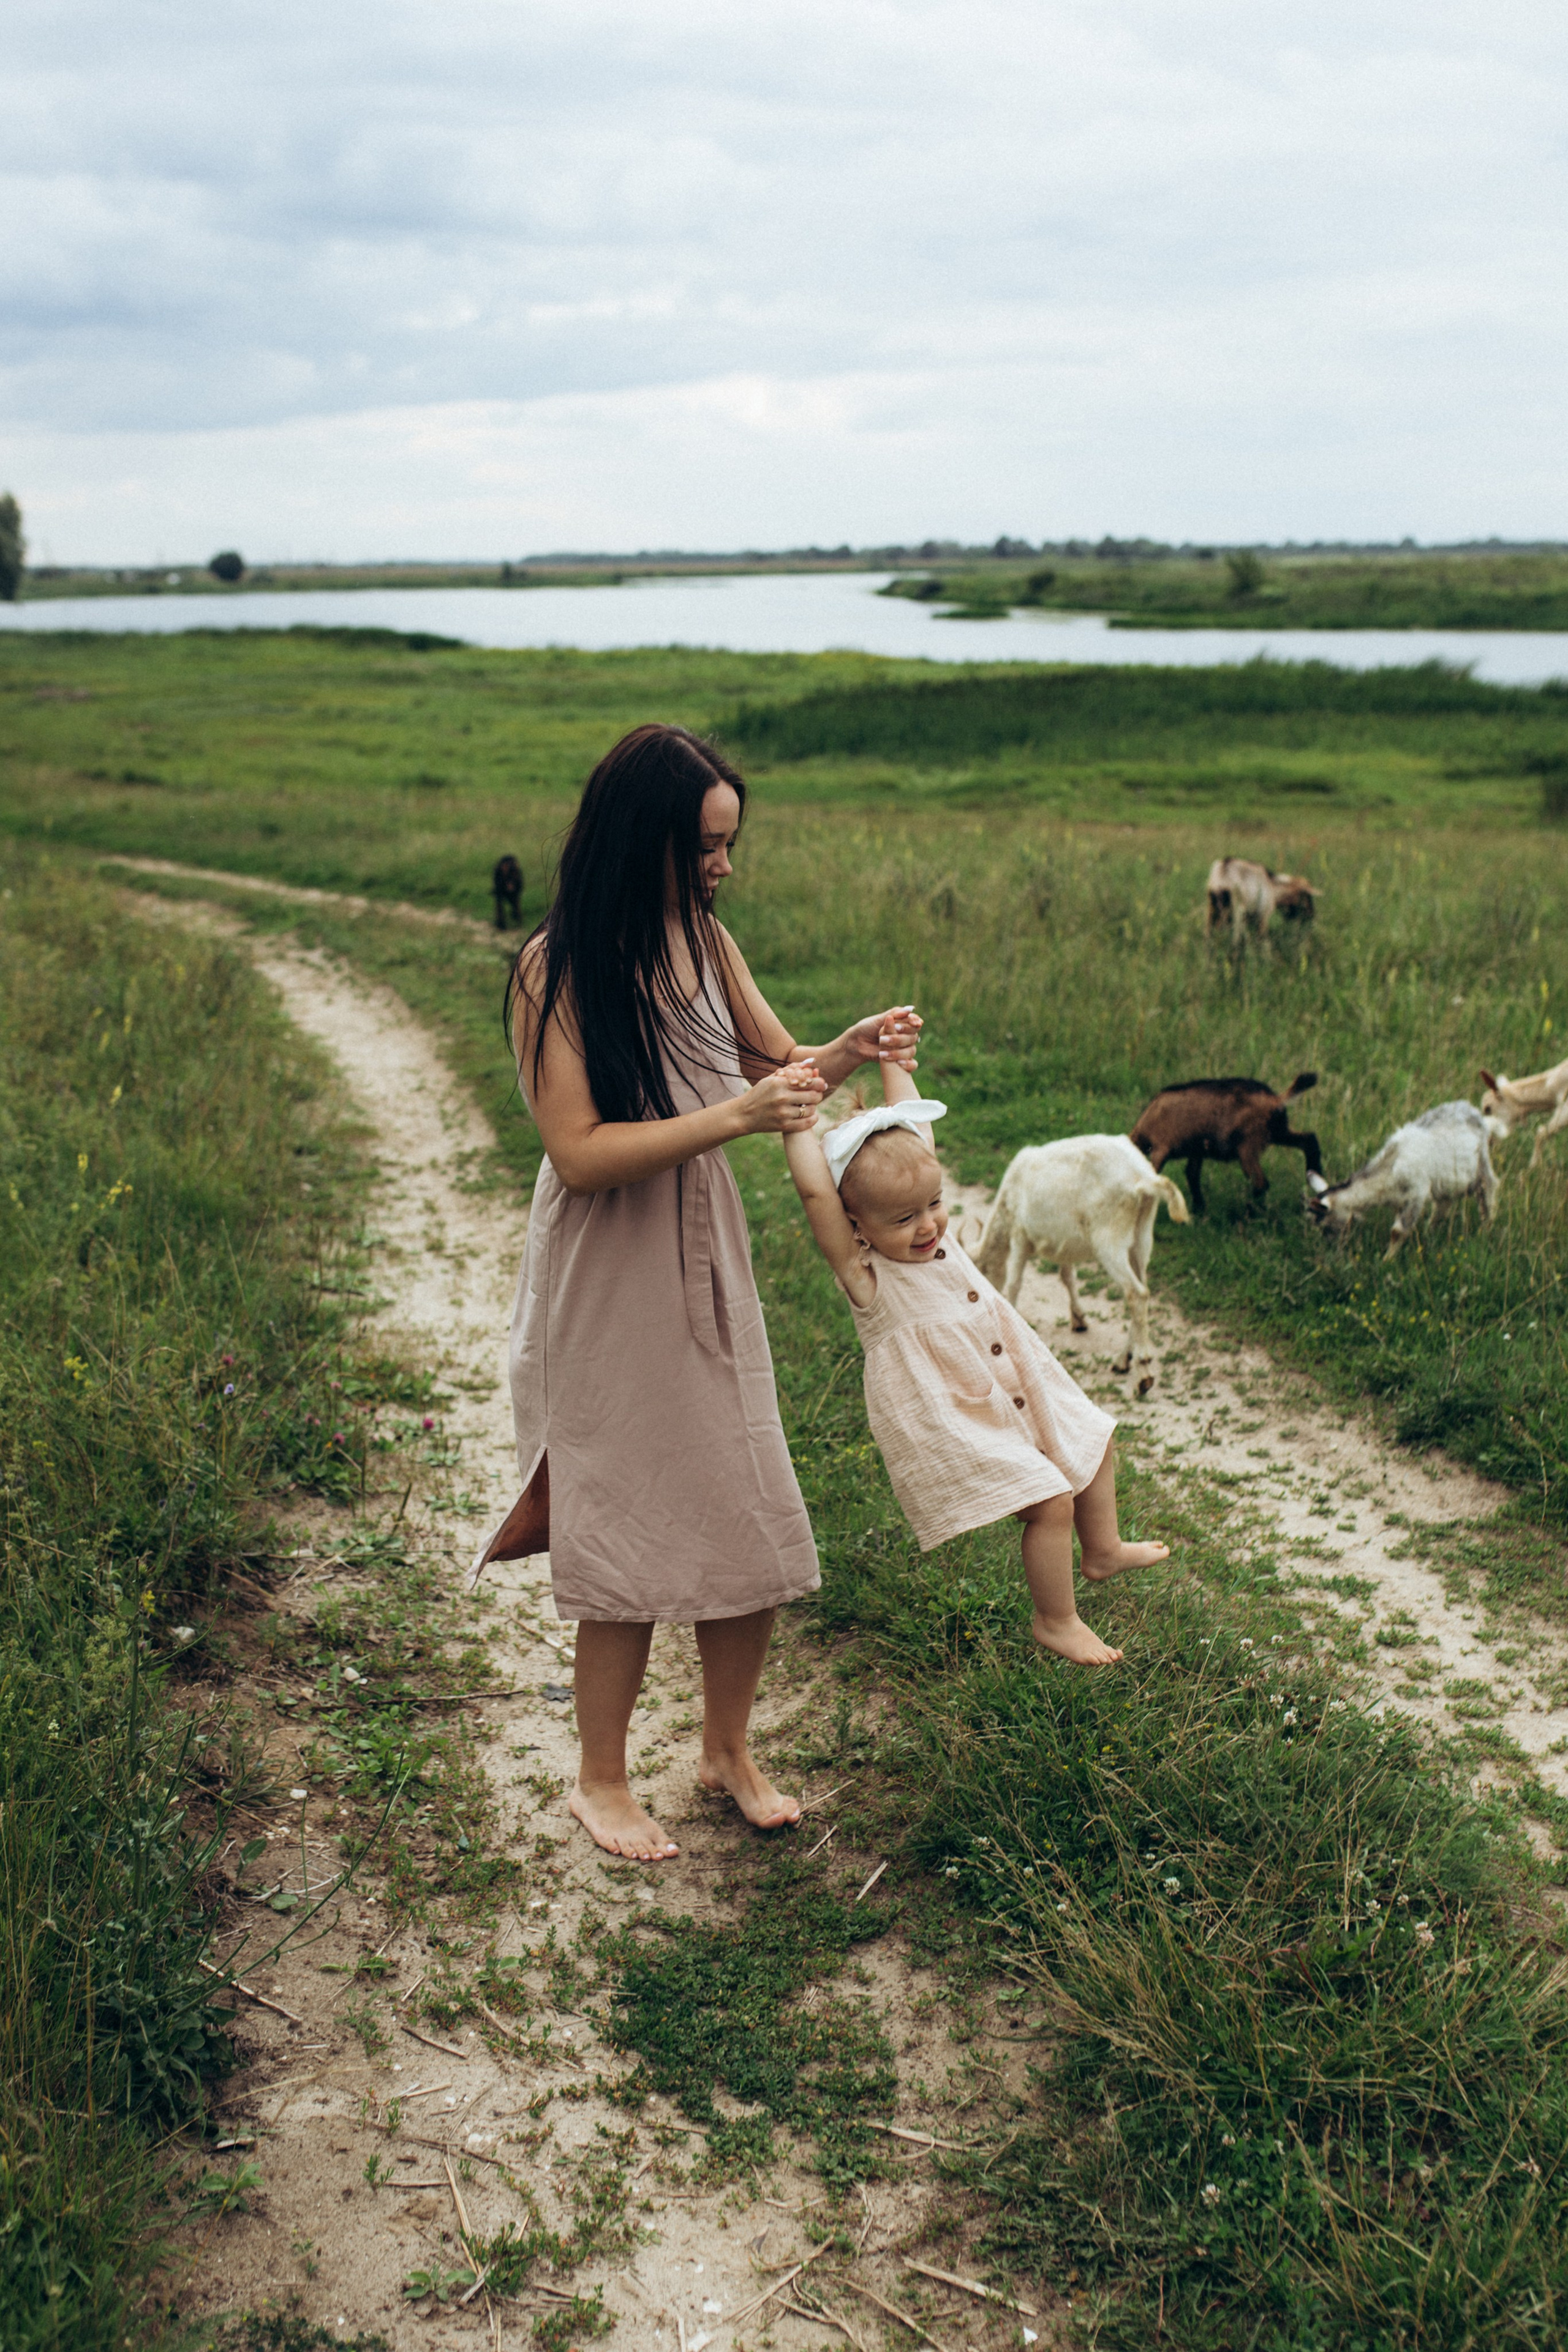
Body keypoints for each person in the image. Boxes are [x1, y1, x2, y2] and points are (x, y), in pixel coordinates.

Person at [477, 724, 921, 1861]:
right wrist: (734, 1116)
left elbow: (784, 1072)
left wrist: (852, 1046)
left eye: (731, 842)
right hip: (607, 1262)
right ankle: (601, 1779)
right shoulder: (556, 967)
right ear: (648, 840)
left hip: (702, 1246)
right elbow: (577, 1151)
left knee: (748, 1496)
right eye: (706, 846)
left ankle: (726, 1749)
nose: (724, 865)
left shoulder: (706, 941)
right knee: (618, 1512)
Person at [783, 1053, 1167, 1665]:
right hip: (952, 1410)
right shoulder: (865, 1275)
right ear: (854, 1225)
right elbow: (812, 1192)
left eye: (933, 1205)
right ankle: (1056, 1619)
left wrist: (893, 1059)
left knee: (1094, 1439)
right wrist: (795, 1123)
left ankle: (1103, 1550)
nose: (928, 1226)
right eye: (903, 1219)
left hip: (1012, 1377)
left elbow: (918, 1131)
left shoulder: (937, 1235)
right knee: (1049, 1503)